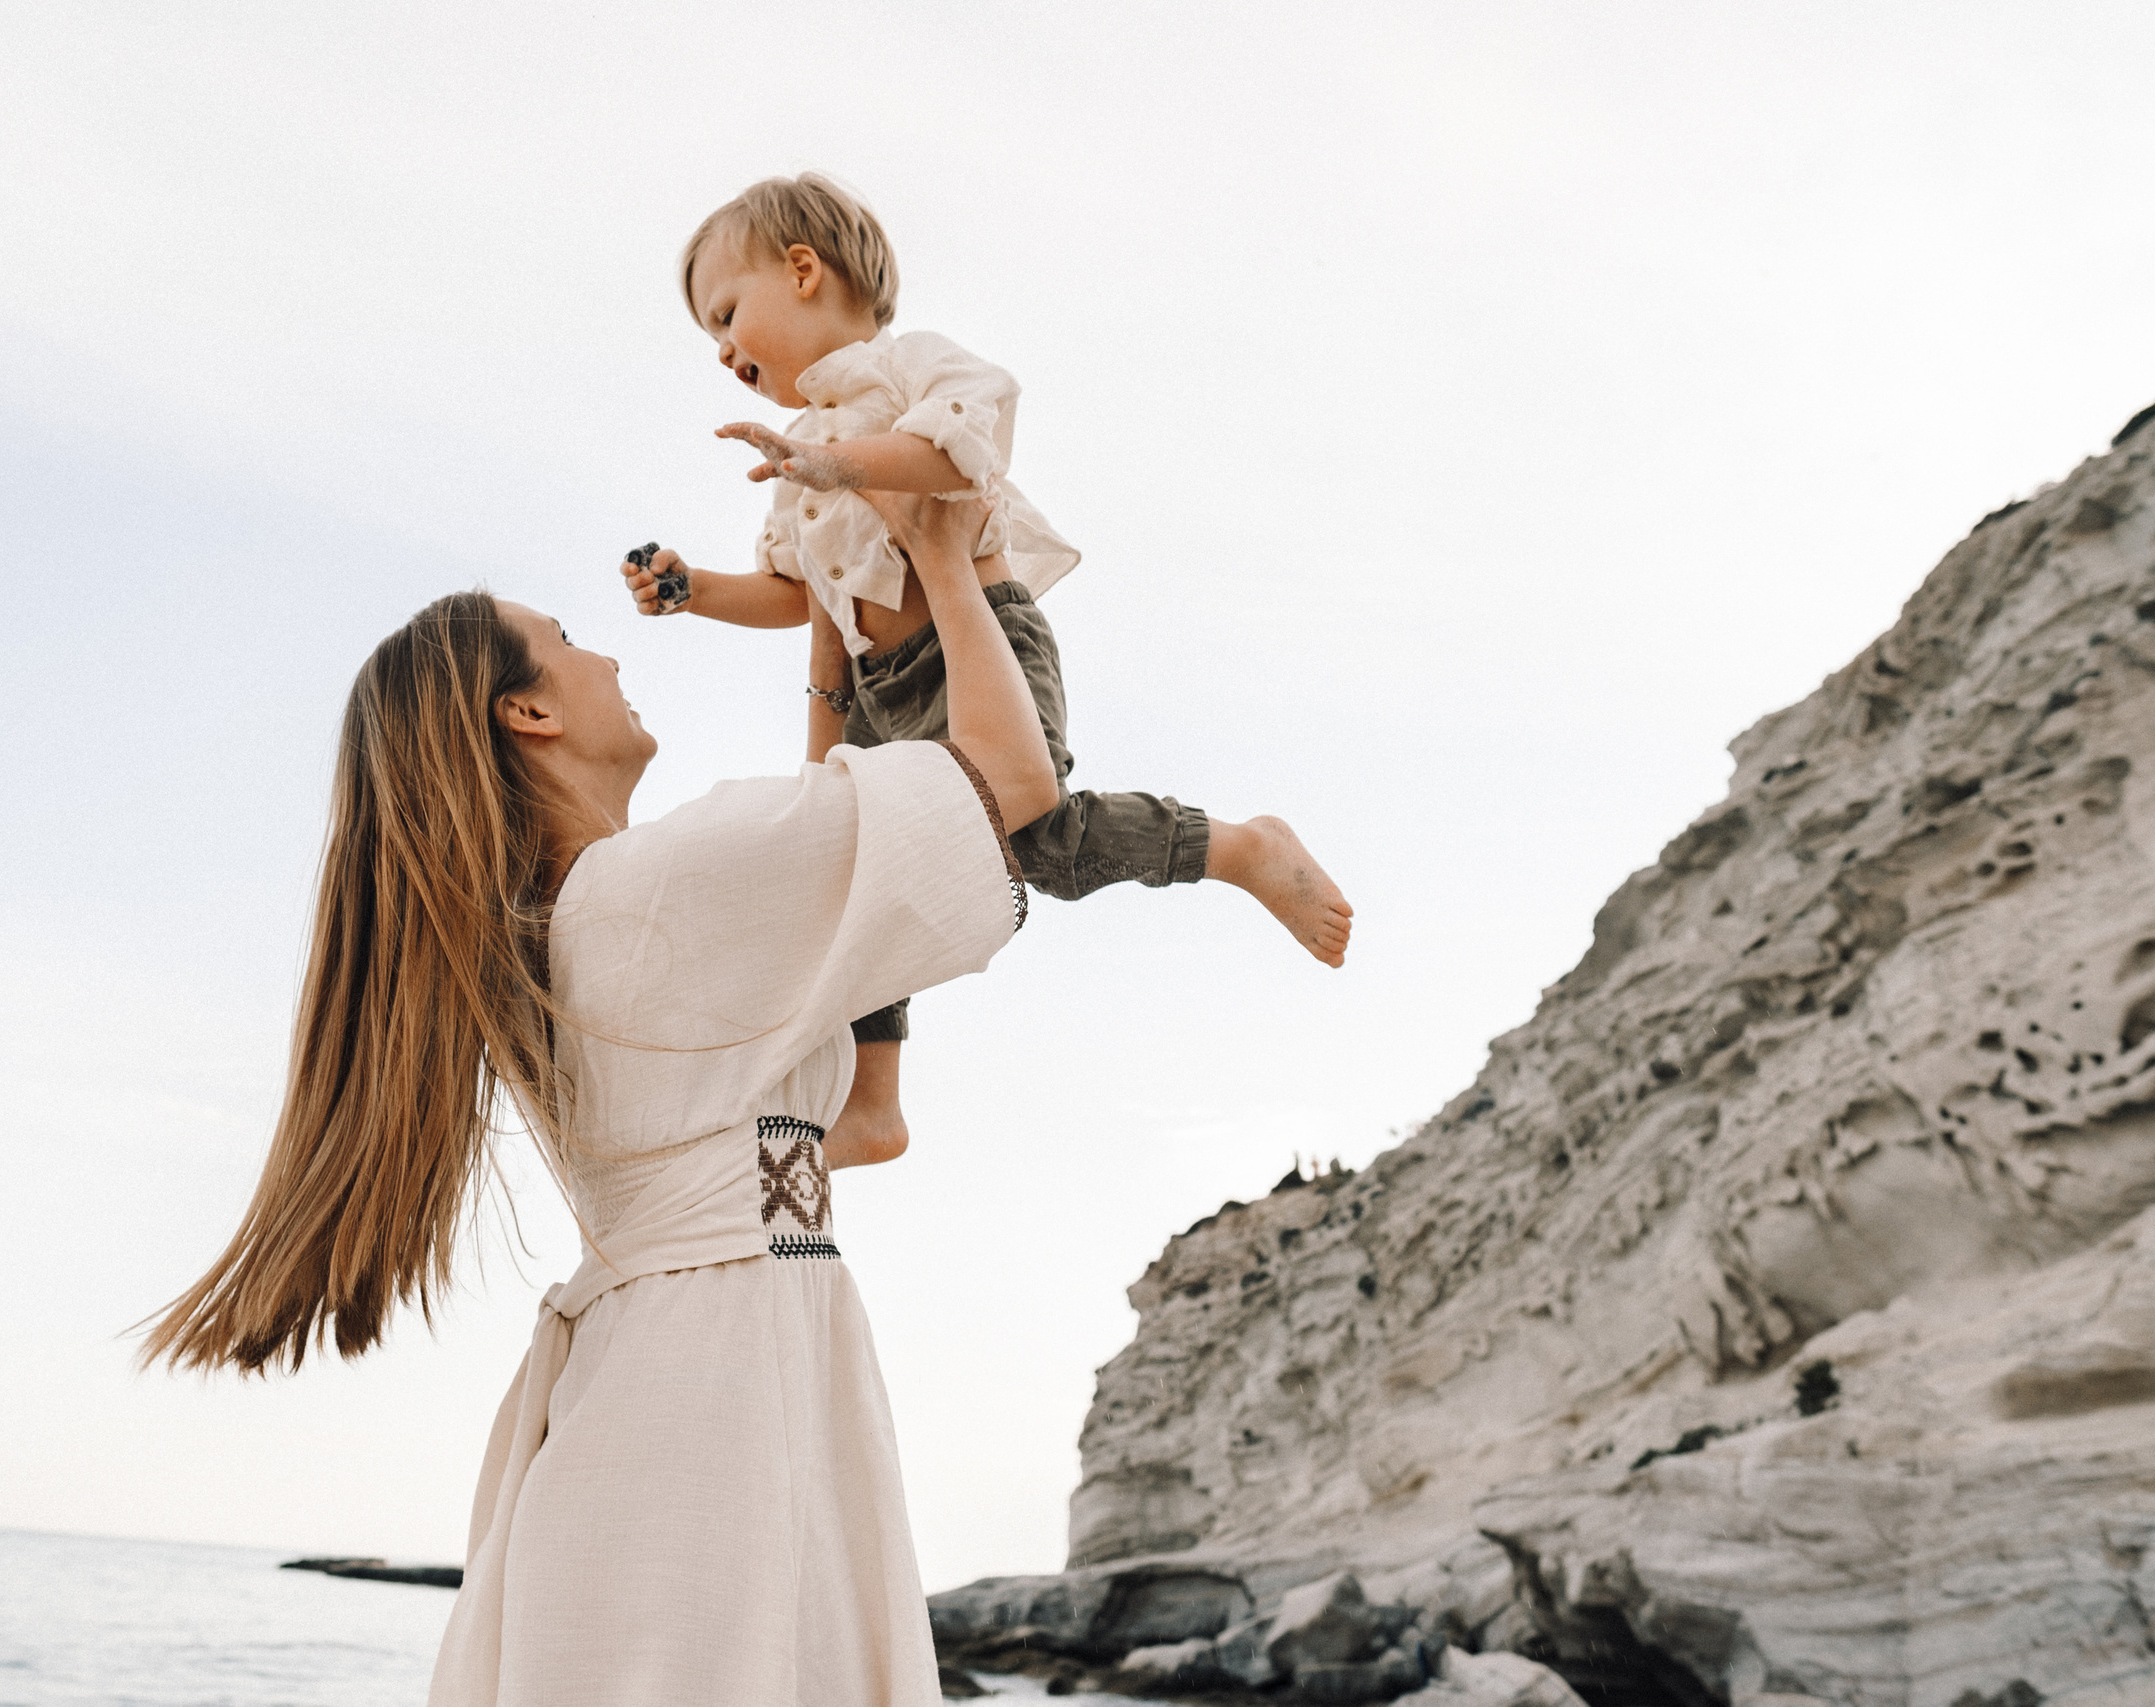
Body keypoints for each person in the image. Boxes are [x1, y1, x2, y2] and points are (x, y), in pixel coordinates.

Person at [142, 490, 1059, 1705]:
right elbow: (1012, 780)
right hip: (720, 1385)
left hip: (674, 1368)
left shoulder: (570, 928)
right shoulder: (659, 889)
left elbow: (830, 903)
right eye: (569, 641)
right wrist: (941, 555)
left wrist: (829, 643)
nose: (610, 657)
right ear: (525, 712)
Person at [621, 171, 1353, 1170]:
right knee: (855, 868)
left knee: (1044, 840)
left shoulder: (906, 369)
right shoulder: (797, 455)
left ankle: (1240, 848)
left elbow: (961, 455)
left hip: (978, 646)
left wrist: (843, 465)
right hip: (879, 690)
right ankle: (873, 1101)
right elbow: (793, 591)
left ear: (801, 270)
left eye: (724, 313)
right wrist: (695, 589)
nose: (720, 348)